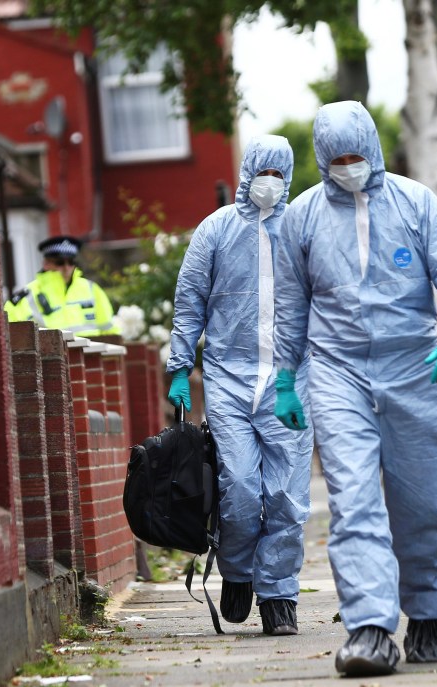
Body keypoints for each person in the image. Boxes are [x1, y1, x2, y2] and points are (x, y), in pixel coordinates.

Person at [273, 101, 437, 677]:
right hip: (338, 374)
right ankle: (369, 628)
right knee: (353, 500)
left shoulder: (416, 203)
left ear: (373, 149)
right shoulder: (302, 217)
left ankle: (430, 617)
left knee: (422, 505)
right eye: (335, 159)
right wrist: (286, 378)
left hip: (416, 369)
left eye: (355, 156)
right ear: (320, 159)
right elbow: (291, 306)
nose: (347, 167)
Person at [166, 135, 314, 636]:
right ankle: (237, 571)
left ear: (288, 176)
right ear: (248, 172)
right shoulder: (215, 232)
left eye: (278, 172)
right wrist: (180, 366)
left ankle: (278, 595)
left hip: (289, 381)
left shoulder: (300, 229)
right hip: (229, 380)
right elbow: (190, 301)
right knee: (242, 489)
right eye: (262, 171)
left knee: (288, 496)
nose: (269, 181)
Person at [5, 235, 119, 337]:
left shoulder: (92, 289)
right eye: (60, 262)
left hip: (89, 357)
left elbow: (110, 331)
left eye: (71, 262)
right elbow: (11, 335)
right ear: (46, 264)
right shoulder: (27, 296)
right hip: (48, 359)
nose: (66, 268)